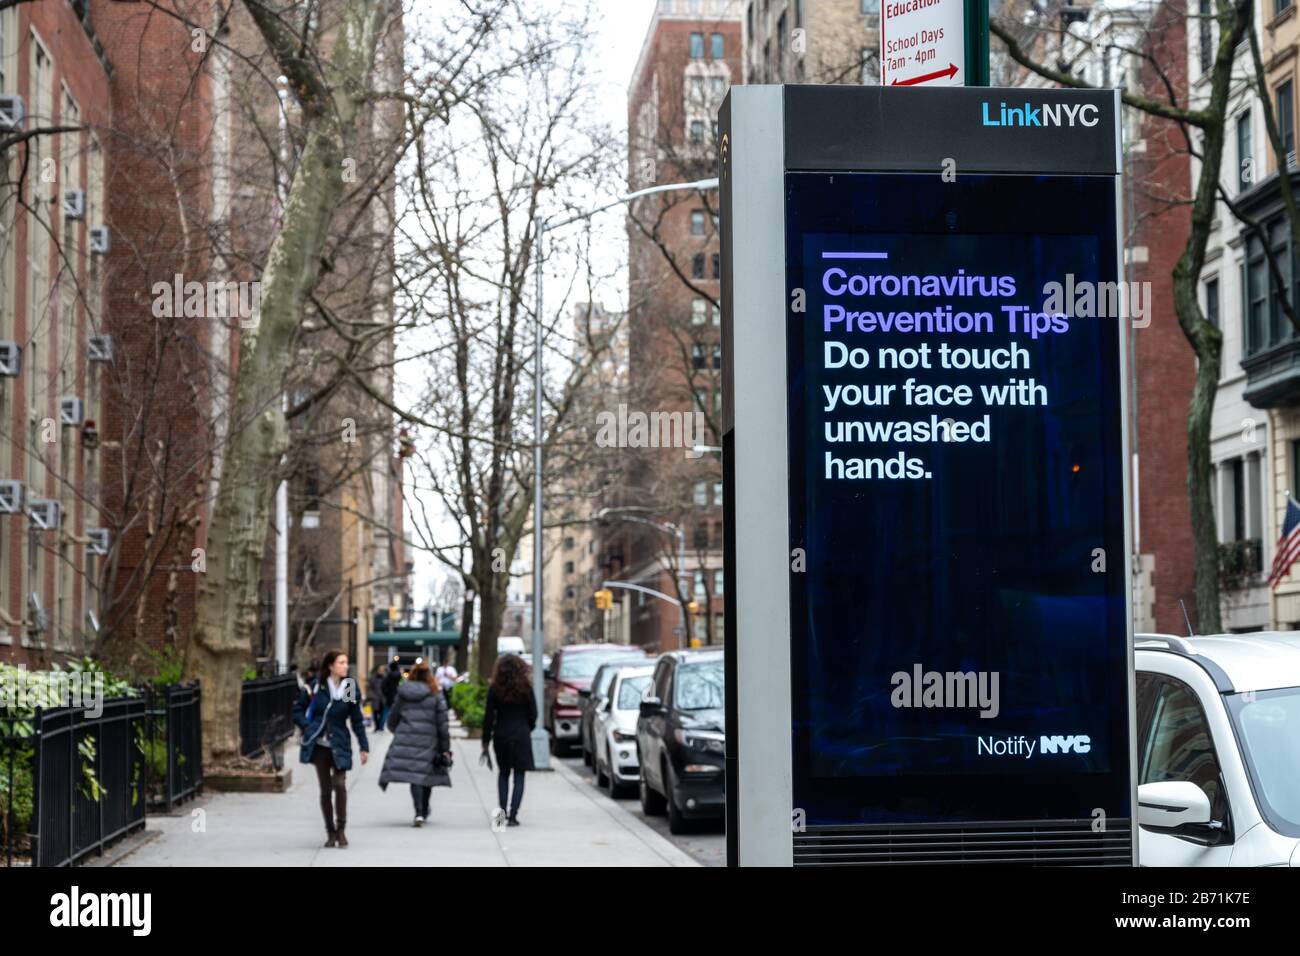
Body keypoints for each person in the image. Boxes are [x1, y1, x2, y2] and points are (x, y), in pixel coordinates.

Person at [293, 650, 369, 848]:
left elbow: (356, 719)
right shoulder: (316, 687)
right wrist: (308, 726)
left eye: (346, 662)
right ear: (331, 666)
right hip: (320, 746)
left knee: (340, 784)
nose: (345, 666)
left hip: (340, 743)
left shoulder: (349, 686)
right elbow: (297, 710)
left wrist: (364, 746)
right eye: (341, 662)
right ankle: (330, 832)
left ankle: (341, 829)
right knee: (325, 789)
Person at [378, 660, 452, 826]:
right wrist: (445, 747)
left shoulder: (404, 693)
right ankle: (424, 809)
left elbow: (393, 718)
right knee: (426, 775)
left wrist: (399, 731)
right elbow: (442, 723)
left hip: (408, 738)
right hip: (429, 739)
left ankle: (419, 812)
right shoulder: (436, 695)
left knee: (414, 776)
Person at [481, 653, 536, 828]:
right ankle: (513, 815)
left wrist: (485, 741)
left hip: (501, 735)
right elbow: (533, 714)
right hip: (521, 735)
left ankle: (501, 814)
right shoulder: (526, 688)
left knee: (503, 774)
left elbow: (488, 717)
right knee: (519, 775)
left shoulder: (495, 688)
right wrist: (527, 728)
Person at [368, 665, 387, 731]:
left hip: (382, 698)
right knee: (375, 713)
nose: (381, 671)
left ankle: (380, 726)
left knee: (382, 713)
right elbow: (370, 688)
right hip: (375, 698)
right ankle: (376, 727)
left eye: (382, 670)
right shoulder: (373, 678)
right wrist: (372, 696)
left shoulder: (385, 678)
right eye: (380, 670)